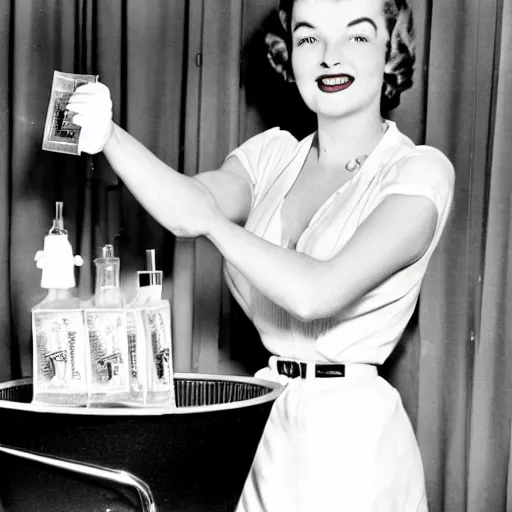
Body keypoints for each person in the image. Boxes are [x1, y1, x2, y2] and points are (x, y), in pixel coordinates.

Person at [67, 0, 454, 509]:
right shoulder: (270, 156)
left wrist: (209, 222)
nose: (329, 57)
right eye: (309, 38)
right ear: (289, 53)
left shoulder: (419, 171)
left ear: (390, 51)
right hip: (266, 422)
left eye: (357, 37)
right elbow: (187, 206)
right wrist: (108, 135)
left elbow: (317, 293)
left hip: (355, 441)